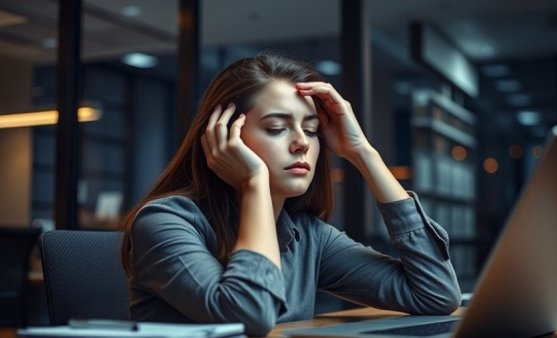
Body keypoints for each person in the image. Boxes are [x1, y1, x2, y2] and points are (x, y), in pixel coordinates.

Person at [120, 53, 461, 336]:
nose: (301, 142)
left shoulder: (307, 236)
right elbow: (249, 316)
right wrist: (254, 182)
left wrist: (363, 153)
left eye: (311, 130)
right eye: (276, 128)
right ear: (223, 136)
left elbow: (435, 293)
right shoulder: (164, 221)